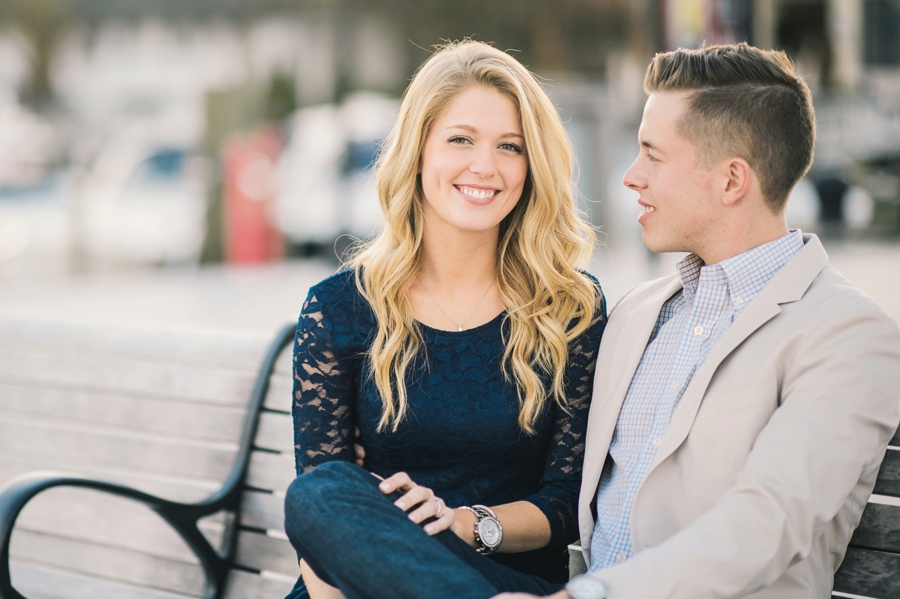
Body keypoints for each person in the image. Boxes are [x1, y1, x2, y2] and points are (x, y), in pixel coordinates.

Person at [284, 42, 900, 599]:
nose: (629, 176)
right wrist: (382, 511)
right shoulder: (639, 316)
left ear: (732, 179)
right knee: (320, 495)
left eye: (652, 155)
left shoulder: (847, 335)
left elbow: (766, 526)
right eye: (460, 140)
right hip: (474, 583)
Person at [284, 40, 607, 599]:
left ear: (533, 168)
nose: (485, 166)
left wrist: (461, 521)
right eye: (461, 139)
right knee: (316, 493)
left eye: (510, 146)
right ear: (419, 151)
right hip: (370, 581)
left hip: (500, 578)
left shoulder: (569, 310)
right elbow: (323, 521)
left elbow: (564, 506)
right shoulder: (338, 309)